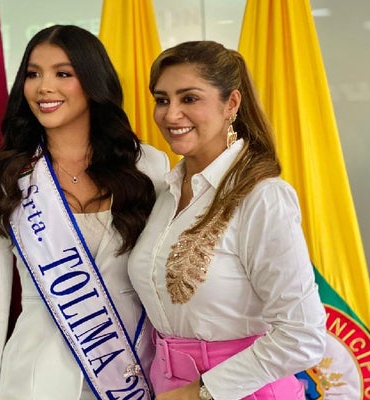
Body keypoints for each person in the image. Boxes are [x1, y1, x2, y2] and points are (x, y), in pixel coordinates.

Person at [0, 25, 169, 400]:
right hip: (36, 382)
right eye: (33, 74)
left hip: (132, 373)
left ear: (93, 83)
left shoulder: (148, 166)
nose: (44, 87)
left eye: (63, 74)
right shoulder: (0, 178)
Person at [128, 40, 327, 400]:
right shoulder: (164, 193)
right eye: (162, 100)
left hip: (242, 391)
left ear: (231, 104)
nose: (171, 115)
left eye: (189, 98)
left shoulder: (262, 197)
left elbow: (303, 335)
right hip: (166, 387)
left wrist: (201, 391)